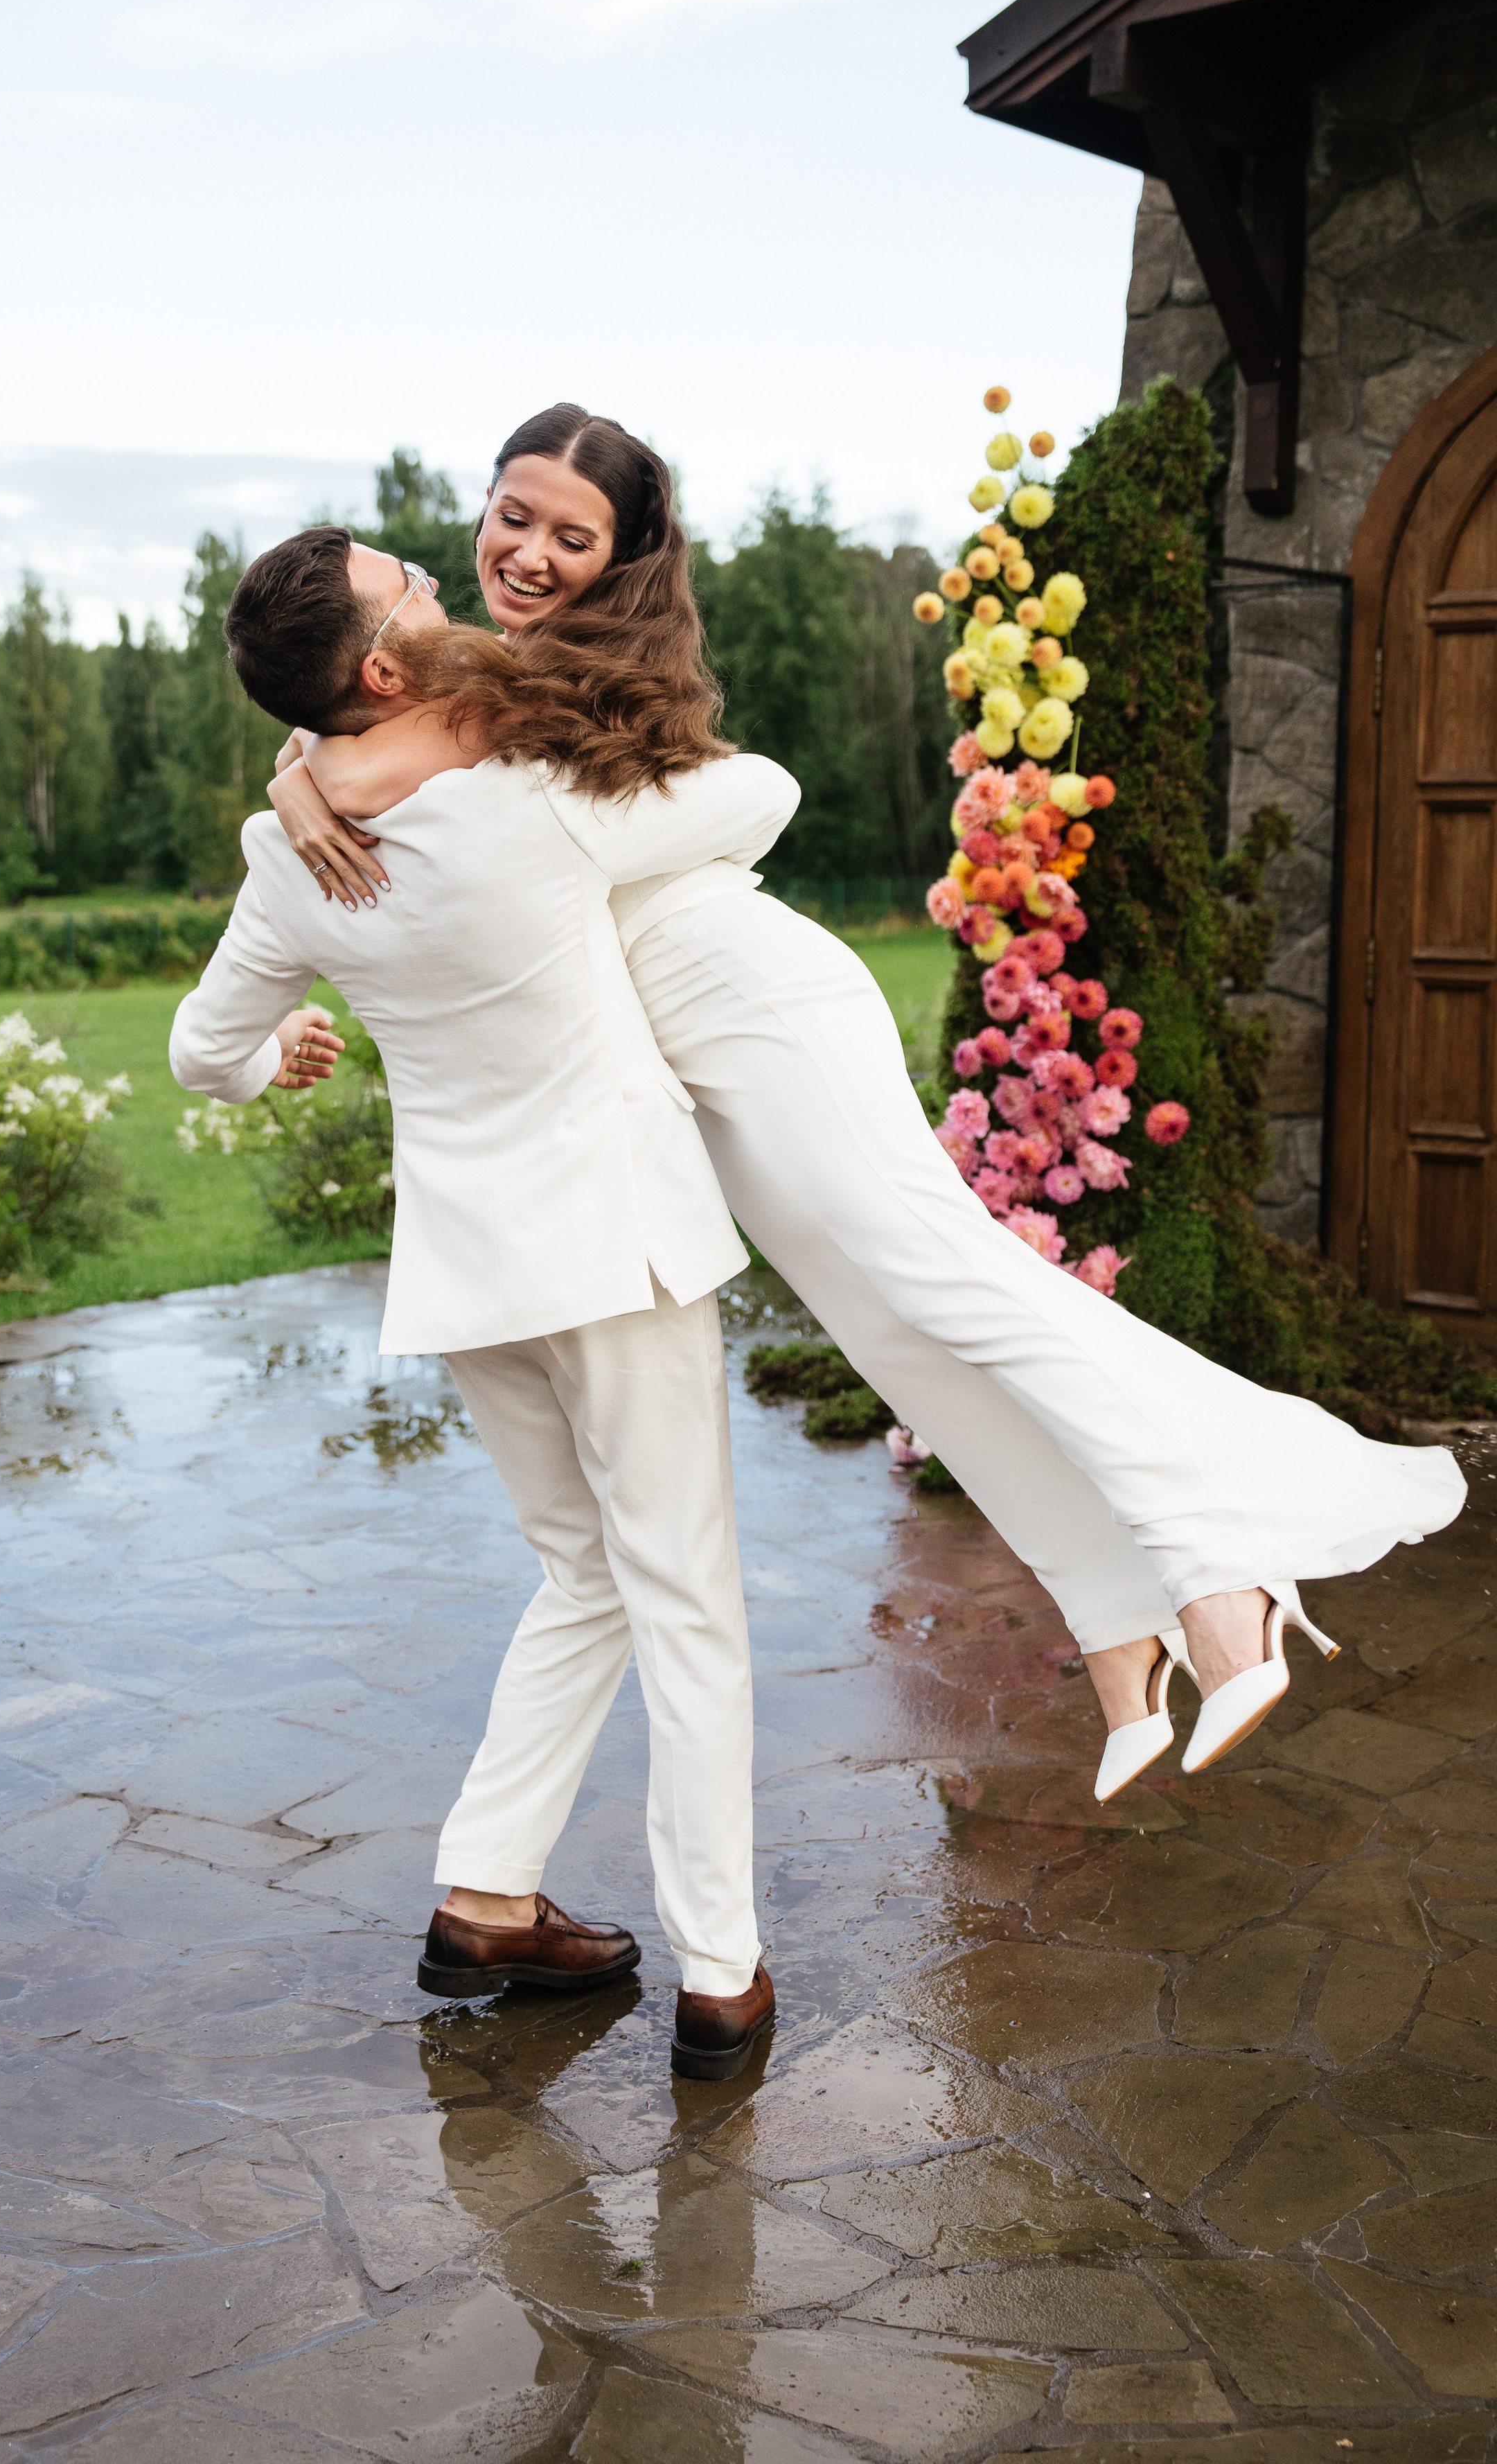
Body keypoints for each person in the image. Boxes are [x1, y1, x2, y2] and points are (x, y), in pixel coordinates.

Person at [265, 403, 1467, 1804]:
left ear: (624, 557)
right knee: (907, 1342)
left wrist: (315, 773)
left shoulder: (570, 677)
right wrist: (300, 767)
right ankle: (1116, 1631)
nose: (525, 552)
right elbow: (368, 745)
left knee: (956, 1293)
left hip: (756, 1007)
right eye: (510, 515)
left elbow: (754, 792)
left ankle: (1223, 1577)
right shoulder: (476, 676)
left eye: (569, 534)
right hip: (700, 1067)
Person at [172, 525, 798, 2082]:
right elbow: (767, 792)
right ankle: (720, 1979)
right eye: (419, 594)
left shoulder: (291, 855)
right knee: (685, 1603)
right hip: (616, 1246)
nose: (451, 593)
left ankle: (486, 1896)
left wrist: (275, 1047)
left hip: (469, 1272)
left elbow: (199, 1050)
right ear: (383, 666)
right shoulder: (535, 795)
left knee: (583, 1572)